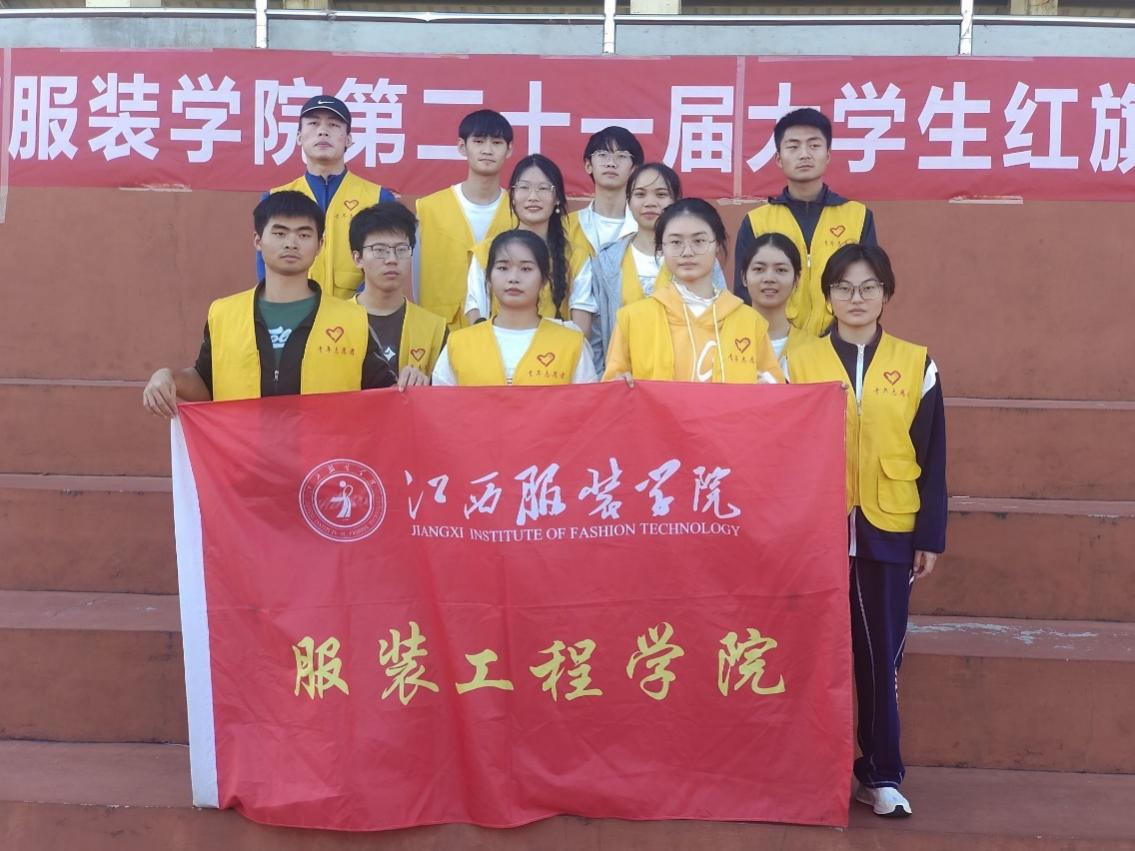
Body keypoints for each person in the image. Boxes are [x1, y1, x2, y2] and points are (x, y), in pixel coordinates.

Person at [786, 243, 946, 819]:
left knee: (881, 656)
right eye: (844, 287)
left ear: (886, 293)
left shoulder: (917, 362)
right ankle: (811, 770)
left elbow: (932, 454)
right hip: (817, 530)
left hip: (889, 528)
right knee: (812, 658)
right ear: (827, 296)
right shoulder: (799, 360)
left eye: (869, 287)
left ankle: (880, 774)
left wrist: (929, 535)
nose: (856, 298)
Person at [143, 191, 395, 416]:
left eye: (304, 234)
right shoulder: (224, 314)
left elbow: (386, 394)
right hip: (244, 452)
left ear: (320, 245)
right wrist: (169, 377)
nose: (291, 243)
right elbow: (207, 383)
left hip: (322, 453)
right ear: (258, 240)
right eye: (279, 233)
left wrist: (409, 383)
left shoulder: (352, 319)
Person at [603, 199, 782, 384]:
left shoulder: (750, 322)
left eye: (699, 241)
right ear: (661, 247)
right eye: (675, 242)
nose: (687, 252)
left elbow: (774, 392)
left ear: (718, 245)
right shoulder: (632, 320)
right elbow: (612, 389)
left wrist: (768, 386)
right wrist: (618, 384)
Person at [733, 107, 877, 337]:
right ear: (779, 158)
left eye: (814, 145)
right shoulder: (757, 221)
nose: (804, 155)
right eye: (793, 147)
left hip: (839, 342)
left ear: (828, 155)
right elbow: (744, 292)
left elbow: (870, 284)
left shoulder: (857, 217)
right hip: (775, 342)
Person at [589, 163, 728, 372]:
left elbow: (720, 320)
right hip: (625, 379)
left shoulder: (699, 258)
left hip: (686, 376)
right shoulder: (607, 260)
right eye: (640, 194)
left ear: (676, 201)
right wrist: (605, 380)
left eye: (661, 194)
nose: (650, 202)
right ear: (628, 201)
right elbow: (597, 332)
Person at [259, 95, 396, 300]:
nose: (323, 131)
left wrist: (358, 305)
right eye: (313, 123)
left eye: (333, 125)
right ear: (299, 137)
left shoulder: (378, 197)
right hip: (294, 308)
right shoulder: (274, 198)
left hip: (357, 311)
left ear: (348, 139)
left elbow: (386, 259)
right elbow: (266, 263)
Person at [433, 230, 597, 386]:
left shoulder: (571, 344)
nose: (513, 278)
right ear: (488, 277)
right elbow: (441, 402)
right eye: (503, 268)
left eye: (526, 269)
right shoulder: (458, 344)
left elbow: (587, 401)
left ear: (544, 280)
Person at [463, 154, 593, 334]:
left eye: (543, 188)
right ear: (512, 196)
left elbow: (581, 329)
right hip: (495, 349)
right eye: (524, 187)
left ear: (557, 198)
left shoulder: (576, 257)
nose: (533, 197)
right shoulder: (486, 251)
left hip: (556, 349)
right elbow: (476, 314)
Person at [416, 109, 515, 331]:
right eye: (478, 142)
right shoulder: (429, 208)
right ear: (462, 146)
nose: (487, 150)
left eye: (497, 143)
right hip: (442, 332)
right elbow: (415, 279)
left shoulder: (518, 211)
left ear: (509, 150)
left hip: (506, 331)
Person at [349, 201, 448, 388]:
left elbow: (447, 396)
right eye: (380, 250)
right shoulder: (332, 321)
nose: (392, 259)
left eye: (401, 250)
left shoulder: (436, 329)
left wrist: (427, 387)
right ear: (358, 258)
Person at [739, 232, 816, 375]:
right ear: (744, 277)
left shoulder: (814, 349)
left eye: (781, 270)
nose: (769, 278)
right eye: (759, 269)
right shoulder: (724, 342)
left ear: (797, 279)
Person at [566, 125, 643, 255]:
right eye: (602, 154)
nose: (611, 163)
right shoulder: (567, 226)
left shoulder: (645, 227)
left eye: (621, 156)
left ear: (634, 169)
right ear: (588, 165)